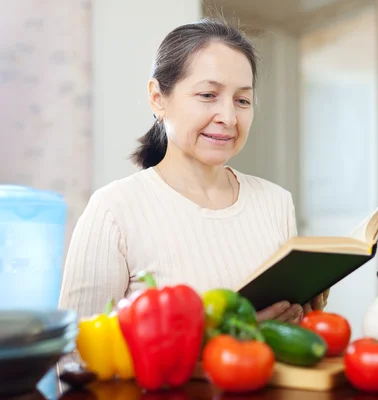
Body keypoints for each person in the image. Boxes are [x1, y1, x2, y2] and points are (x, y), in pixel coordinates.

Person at [58, 18, 328, 324]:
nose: (228, 117)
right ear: (158, 99)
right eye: (208, 95)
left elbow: (289, 338)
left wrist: (302, 314)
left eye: (242, 100)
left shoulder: (276, 203)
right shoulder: (113, 210)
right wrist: (229, 339)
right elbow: (74, 359)